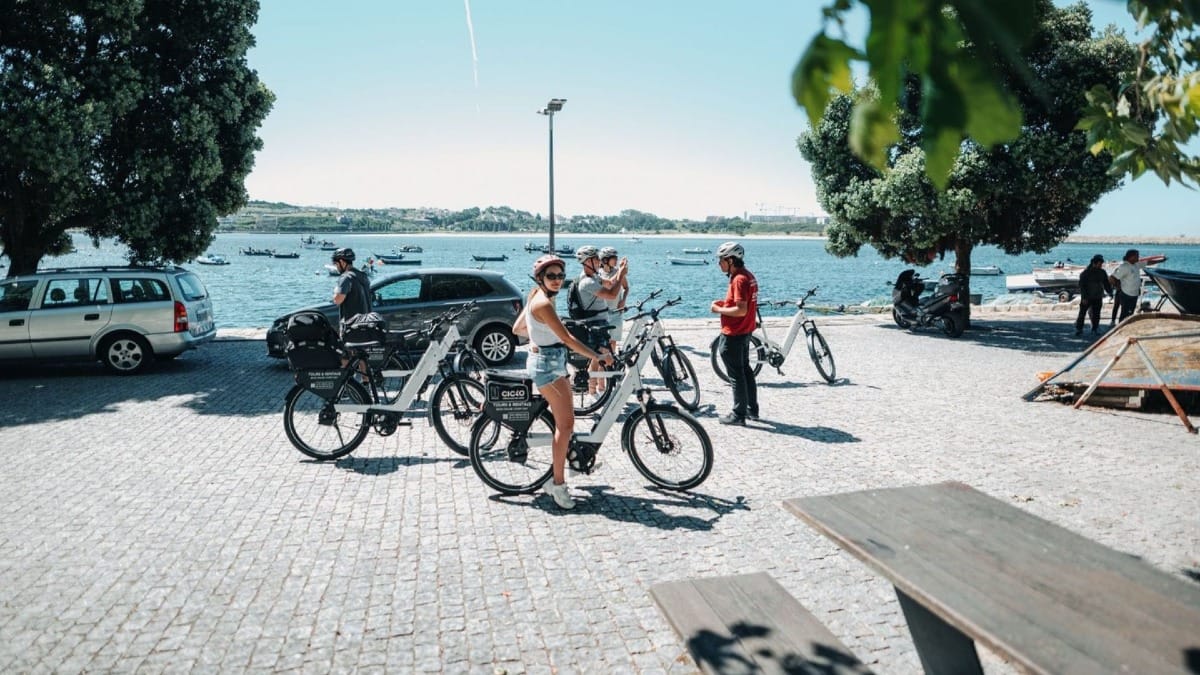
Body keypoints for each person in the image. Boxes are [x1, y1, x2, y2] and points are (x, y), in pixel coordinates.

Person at [513, 255, 614, 510]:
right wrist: (598, 357)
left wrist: (538, 337)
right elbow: (567, 338)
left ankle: (570, 460)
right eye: (552, 276)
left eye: (560, 276)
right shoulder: (542, 303)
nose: (557, 281)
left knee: (566, 421)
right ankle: (557, 485)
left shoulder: (535, 295)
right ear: (540, 279)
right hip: (547, 366)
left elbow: (517, 328)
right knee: (565, 425)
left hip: (550, 361)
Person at [710, 242, 759, 425]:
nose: (719, 264)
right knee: (746, 371)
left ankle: (739, 414)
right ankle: (752, 409)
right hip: (745, 331)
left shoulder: (739, 279)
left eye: (721, 260)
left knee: (736, 375)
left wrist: (717, 309)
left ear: (731, 260)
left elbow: (740, 310)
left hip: (734, 333)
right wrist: (725, 303)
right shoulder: (748, 276)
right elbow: (743, 305)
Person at [572, 245, 628, 393]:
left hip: (601, 322)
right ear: (587, 262)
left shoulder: (594, 277)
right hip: (595, 324)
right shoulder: (587, 283)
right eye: (595, 259)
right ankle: (592, 391)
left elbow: (610, 283)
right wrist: (621, 275)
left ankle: (599, 389)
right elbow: (611, 294)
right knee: (598, 359)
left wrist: (620, 271)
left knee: (599, 358)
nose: (599, 261)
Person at [331, 247, 371, 330]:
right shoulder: (363, 276)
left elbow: (337, 300)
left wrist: (335, 290)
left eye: (336, 264)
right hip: (367, 326)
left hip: (352, 328)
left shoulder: (346, 277)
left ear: (341, 262)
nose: (336, 267)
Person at [598, 246, 628, 354]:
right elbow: (608, 285)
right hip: (602, 313)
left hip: (616, 312)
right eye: (613, 258)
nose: (616, 260)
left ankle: (611, 365)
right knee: (602, 343)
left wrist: (623, 300)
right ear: (605, 260)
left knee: (613, 342)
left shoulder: (618, 271)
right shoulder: (599, 274)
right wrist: (620, 271)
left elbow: (626, 288)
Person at [1075, 254, 1112, 336]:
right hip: (1087, 296)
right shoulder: (1085, 273)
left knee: (1097, 314)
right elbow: (1082, 286)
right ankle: (1079, 329)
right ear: (1094, 263)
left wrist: (1110, 292)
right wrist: (1084, 297)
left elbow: (1106, 283)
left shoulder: (1102, 272)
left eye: (1101, 264)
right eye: (1099, 264)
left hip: (1098, 296)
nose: (1100, 265)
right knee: (1082, 313)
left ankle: (1095, 328)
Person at [1109, 249, 1146, 325]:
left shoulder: (1136, 264)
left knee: (1130, 313)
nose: (1138, 257)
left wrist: (1160, 261)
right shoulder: (1124, 267)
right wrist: (1118, 287)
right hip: (1126, 294)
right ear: (1131, 257)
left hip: (1134, 294)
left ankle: (1127, 327)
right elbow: (1111, 278)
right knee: (1124, 313)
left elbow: (1148, 262)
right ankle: (1120, 327)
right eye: (1137, 256)